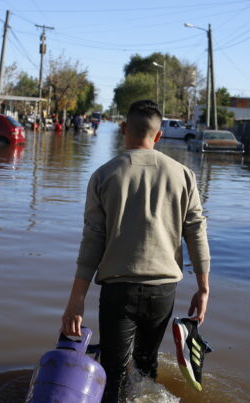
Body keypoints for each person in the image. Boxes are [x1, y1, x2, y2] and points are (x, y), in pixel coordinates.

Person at [61, 99, 210, 402]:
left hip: (119, 290)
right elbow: (196, 230)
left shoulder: (104, 176)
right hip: (163, 290)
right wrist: (203, 287)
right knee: (146, 367)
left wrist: (76, 300)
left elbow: (92, 241)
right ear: (158, 136)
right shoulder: (183, 175)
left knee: (113, 374)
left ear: (124, 128)